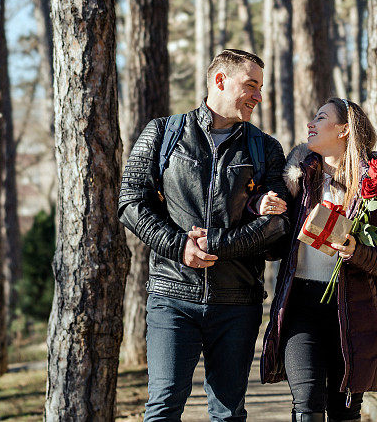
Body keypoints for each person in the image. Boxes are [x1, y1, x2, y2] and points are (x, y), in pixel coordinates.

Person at [119, 49, 290, 421]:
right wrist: (180, 246)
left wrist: (215, 246)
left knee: (228, 414)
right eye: (250, 85)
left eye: (260, 87)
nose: (258, 96)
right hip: (171, 297)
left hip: (238, 301)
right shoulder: (163, 133)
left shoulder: (266, 148)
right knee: (163, 407)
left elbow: (277, 225)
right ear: (219, 81)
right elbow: (130, 202)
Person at [260, 97, 377, 422]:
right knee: (307, 407)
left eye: (320, 117)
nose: (310, 124)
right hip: (300, 307)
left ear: (344, 129)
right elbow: (276, 245)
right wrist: (267, 215)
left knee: (344, 413)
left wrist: (357, 251)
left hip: (355, 312)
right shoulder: (300, 176)